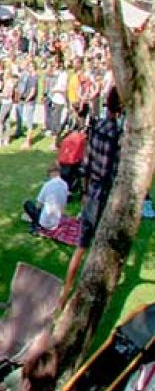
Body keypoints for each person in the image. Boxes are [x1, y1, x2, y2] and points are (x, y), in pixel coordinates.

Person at [68, 89, 123, 305]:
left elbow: (87, 163)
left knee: (81, 245)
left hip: (91, 189)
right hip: (103, 192)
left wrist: (84, 191)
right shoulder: (115, 134)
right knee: (100, 244)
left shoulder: (96, 127)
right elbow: (115, 169)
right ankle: (88, 290)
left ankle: (66, 292)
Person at [24, 165, 69, 233]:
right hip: (56, 222)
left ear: (52, 173)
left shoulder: (47, 185)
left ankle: (34, 221)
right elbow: (63, 205)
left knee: (27, 203)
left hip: (45, 223)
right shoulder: (65, 185)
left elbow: (39, 205)